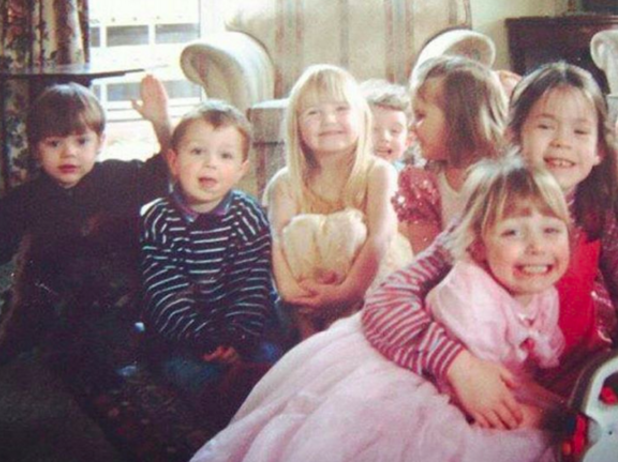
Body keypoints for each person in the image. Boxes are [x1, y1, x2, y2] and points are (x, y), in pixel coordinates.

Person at [190, 156, 570, 462]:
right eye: (513, 232)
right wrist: (548, 415)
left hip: (465, 375)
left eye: (552, 231)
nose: (537, 246)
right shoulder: (470, 296)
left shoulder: (538, 288)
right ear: (479, 245)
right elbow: (471, 394)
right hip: (428, 376)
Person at [363, 62, 618, 430]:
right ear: (514, 136)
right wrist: (459, 365)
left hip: (580, 382)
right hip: (493, 386)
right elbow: (386, 300)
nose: (562, 141)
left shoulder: (599, 214)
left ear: (598, 150)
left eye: (579, 131)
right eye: (546, 126)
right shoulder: (486, 215)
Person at [0, 76, 172, 377]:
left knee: (117, 360)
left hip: (112, 300)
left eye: (81, 141)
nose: (69, 153)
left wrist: (161, 122)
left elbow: (169, 168)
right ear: (35, 149)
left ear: (100, 142)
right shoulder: (24, 199)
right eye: (54, 143)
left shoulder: (118, 178)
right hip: (40, 302)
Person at [140, 100, 281, 427]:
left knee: (272, 357)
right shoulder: (159, 219)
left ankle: (258, 390)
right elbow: (165, 292)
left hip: (242, 328)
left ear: (241, 169)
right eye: (197, 152)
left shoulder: (247, 215)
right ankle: (218, 400)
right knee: (182, 370)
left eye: (225, 156)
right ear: (174, 161)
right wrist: (205, 339)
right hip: (185, 336)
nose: (210, 164)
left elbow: (253, 284)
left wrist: (237, 339)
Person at [265, 64, 412, 340]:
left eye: (341, 109)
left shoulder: (379, 172)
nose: (329, 120)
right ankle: (309, 341)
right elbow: (274, 241)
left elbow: (381, 237)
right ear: (296, 125)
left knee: (352, 228)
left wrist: (347, 292)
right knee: (294, 233)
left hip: (371, 289)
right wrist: (290, 291)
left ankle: (366, 337)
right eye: (313, 112)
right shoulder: (285, 183)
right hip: (307, 300)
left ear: (362, 118)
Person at [394, 55, 507, 254]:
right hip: (444, 272)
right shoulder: (423, 183)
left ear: (459, 119)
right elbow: (425, 256)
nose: (411, 126)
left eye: (420, 116)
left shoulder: (506, 178)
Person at [360, 79, 411, 170]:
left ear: (408, 141)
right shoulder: (346, 175)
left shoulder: (408, 176)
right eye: (373, 129)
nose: (384, 137)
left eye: (394, 131)